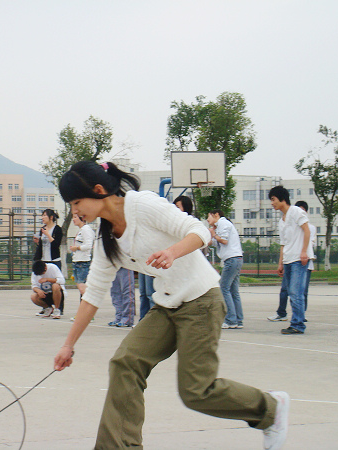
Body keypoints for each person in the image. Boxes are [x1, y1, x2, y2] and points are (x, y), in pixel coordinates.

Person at [53, 161, 289, 450]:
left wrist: (172, 251)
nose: (75, 211)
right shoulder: (106, 240)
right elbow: (93, 296)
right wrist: (68, 345)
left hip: (201, 300)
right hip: (167, 305)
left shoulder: (142, 205)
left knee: (196, 391)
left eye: (77, 202)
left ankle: (270, 409)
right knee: (125, 363)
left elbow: (199, 232)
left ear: (98, 190)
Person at [268, 186, 313, 335]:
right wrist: (280, 262)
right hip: (288, 260)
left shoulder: (296, 211)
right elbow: (283, 243)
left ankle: (298, 324)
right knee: (289, 292)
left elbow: (307, 230)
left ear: (282, 199)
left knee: (296, 292)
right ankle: (295, 323)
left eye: (273, 199)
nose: (272, 203)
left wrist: (304, 251)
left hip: (298, 260)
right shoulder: (282, 220)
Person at [207, 209, 244, 329]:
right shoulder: (219, 227)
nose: (208, 220)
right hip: (235, 259)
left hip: (231, 259)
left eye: (209, 217)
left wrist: (214, 234)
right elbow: (213, 242)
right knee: (233, 291)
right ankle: (238, 320)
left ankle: (231, 320)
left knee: (224, 288)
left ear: (216, 215)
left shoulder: (223, 223)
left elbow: (224, 240)